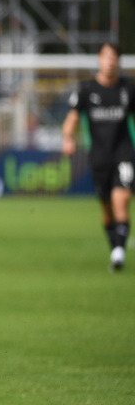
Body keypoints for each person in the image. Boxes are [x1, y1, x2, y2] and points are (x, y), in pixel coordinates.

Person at [62, 42, 134, 271]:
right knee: (106, 207)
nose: (110, 62)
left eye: (114, 58)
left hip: (123, 153)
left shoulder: (129, 89)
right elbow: (72, 118)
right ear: (99, 60)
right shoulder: (86, 90)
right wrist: (68, 138)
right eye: (106, 57)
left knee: (121, 200)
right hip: (99, 157)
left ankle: (120, 251)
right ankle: (115, 247)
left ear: (118, 62)